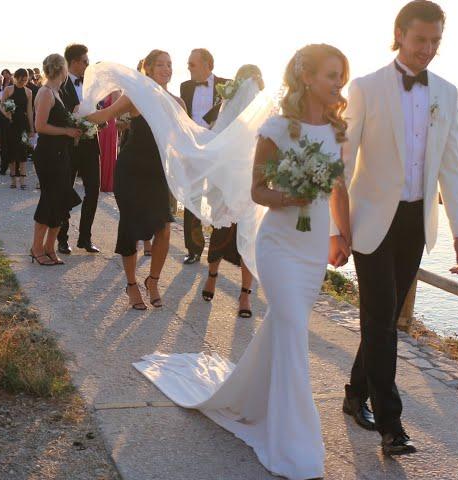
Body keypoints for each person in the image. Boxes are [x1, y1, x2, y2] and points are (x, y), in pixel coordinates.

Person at [122, 44, 351, 480]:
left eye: (342, 75)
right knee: (290, 329)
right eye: (330, 74)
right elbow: (259, 192)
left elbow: (339, 189)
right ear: (307, 77)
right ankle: (295, 440)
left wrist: (344, 236)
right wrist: (290, 196)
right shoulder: (277, 127)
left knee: (288, 328)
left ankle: (253, 399)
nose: (338, 83)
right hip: (280, 244)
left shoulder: (340, 131)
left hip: (313, 245)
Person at [328, 0, 458, 456]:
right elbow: (342, 162)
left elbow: (453, 167)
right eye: (420, 40)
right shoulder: (367, 87)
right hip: (372, 221)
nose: (428, 49)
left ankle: (354, 394)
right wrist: (338, 228)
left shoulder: (446, 92)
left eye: (435, 41)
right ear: (400, 35)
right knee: (382, 319)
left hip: (415, 221)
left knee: (382, 318)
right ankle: (392, 424)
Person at [84, 49, 186, 310]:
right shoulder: (135, 96)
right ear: (149, 68)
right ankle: (131, 285)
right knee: (130, 228)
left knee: (163, 227)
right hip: (130, 171)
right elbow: (103, 117)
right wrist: (78, 117)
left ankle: (153, 280)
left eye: (170, 64)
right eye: (161, 64)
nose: (166, 69)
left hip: (158, 174)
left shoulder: (178, 103)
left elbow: (185, 140)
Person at [199, 64, 265, 318]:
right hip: (228, 181)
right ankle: (212, 277)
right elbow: (217, 138)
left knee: (249, 237)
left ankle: (245, 295)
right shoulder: (226, 108)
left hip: (252, 185)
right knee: (220, 232)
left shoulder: (266, 113)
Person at [30, 53, 82, 266]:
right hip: (48, 155)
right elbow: (40, 126)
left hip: (61, 155)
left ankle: (50, 247)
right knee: (50, 199)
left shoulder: (56, 92)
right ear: (62, 70)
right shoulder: (45, 93)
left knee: (61, 200)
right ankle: (36, 248)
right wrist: (67, 131)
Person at [179, 48, 229, 265]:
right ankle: (194, 248)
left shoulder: (228, 86)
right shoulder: (185, 87)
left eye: (192, 64)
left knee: (218, 199)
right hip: (193, 149)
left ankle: (219, 251)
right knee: (193, 199)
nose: (188, 68)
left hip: (218, 152)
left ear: (208, 64)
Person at [57, 43, 102, 254]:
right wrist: (73, 120)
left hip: (91, 145)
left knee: (93, 191)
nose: (88, 64)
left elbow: (98, 109)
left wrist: (100, 119)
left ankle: (85, 237)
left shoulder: (91, 85)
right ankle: (62, 238)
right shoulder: (60, 85)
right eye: (85, 61)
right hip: (69, 146)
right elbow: (57, 114)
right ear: (74, 62)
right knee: (64, 191)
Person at [0, 68, 35, 189]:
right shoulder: (8, 89)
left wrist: (32, 128)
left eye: (25, 80)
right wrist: (7, 115)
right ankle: (13, 180)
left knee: (23, 150)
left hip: (23, 125)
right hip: (10, 124)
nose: (22, 82)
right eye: (20, 80)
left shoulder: (29, 92)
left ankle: (23, 180)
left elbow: (30, 111)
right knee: (11, 150)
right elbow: (2, 105)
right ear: (16, 78)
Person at [98, 91, 119, 192]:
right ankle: (99, 181)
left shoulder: (115, 91)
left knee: (108, 152)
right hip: (100, 124)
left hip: (110, 125)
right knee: (100, 151)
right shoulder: (101, 89)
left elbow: (116, 111)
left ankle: (107, 183)